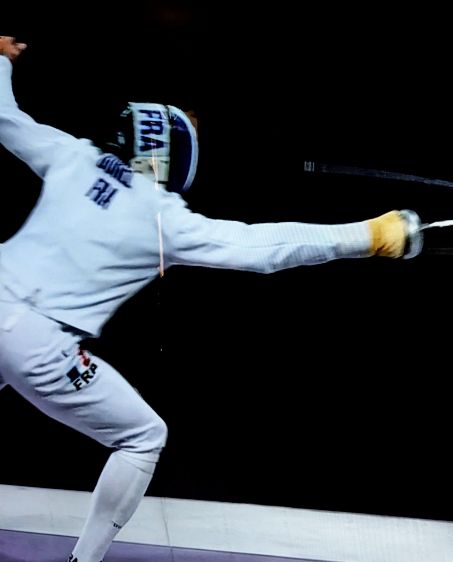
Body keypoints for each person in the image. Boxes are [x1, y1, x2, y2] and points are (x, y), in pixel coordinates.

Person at [0, 36, 421, 562]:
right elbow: (262, 248)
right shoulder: (164, 221)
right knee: (143, 438)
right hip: (38, 344)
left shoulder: (75, 157)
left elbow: (6, 118)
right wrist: (370, 235)